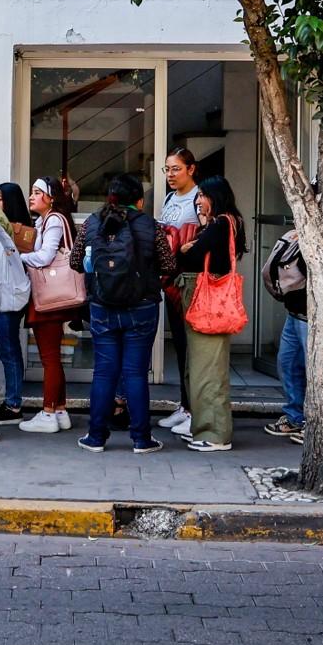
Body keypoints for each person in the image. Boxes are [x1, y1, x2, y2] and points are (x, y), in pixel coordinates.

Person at [78, 173, 164, 454]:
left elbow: (75, 261)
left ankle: (96, 437)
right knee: (135, 374)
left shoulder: (92, 223)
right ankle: (141, 439)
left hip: (102, 307)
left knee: (104, 372)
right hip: (142, 307)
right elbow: (169, 263)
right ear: (139, 200)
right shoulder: (150, 225)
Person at [266, 201, 323, 445]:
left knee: (316, 370)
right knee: (287, 363)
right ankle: (294, 415)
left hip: (318, 314)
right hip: (296, 310)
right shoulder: (309, 229)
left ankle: (316, 423)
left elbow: (318, 268)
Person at [177, 175, 246, 452]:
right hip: (211, 299)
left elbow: (191, 257)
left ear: (215, 197)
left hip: (207, 298)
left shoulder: (219, 224)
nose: (199, 201)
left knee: (208, 370)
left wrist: (186, 247)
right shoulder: (229, 222)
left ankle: (215, 434)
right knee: (202, 366)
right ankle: (202, 426)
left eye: (202, 196)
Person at [19, 177, 76, 434]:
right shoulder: (46, 220)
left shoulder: (53, 220)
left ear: (50, 197)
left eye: (37, 192)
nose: (31, 197)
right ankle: (60, 409)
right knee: (52, 355)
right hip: (51, 295)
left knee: (49, 357)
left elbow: (45, 257)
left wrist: (15, 255)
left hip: (48, 296)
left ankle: (49, 411)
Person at [157, 149, 202, 436]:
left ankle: (196, 410)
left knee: (193, 348)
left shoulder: (199, 199)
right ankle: (185, 406)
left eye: (176, 169)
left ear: (191, 169)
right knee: (181, 346)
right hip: (171, 279)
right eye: (167, 170)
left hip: (190, 280)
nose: (171, 175)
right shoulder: (170, 198)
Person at [0, 181, 37, 422]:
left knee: (9, 349)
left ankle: (14, 403)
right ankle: (9, 400)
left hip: (9, 296)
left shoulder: (21, 231)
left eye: (1, 198)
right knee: (3, 349)